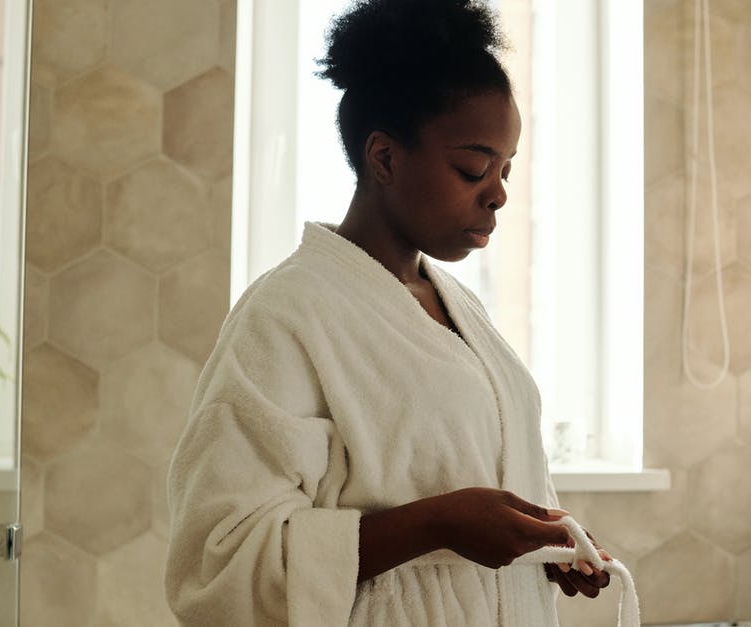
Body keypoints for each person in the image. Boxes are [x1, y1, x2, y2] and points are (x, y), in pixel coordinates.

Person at [165, 1, 612, 624]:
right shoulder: (286, 315)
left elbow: (480, 467)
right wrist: (438, 523)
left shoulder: (460, 307)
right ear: (384, 158)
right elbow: (219, 561)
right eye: (474, 167)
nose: (499, 194)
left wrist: (539, 536)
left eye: (506, 169)